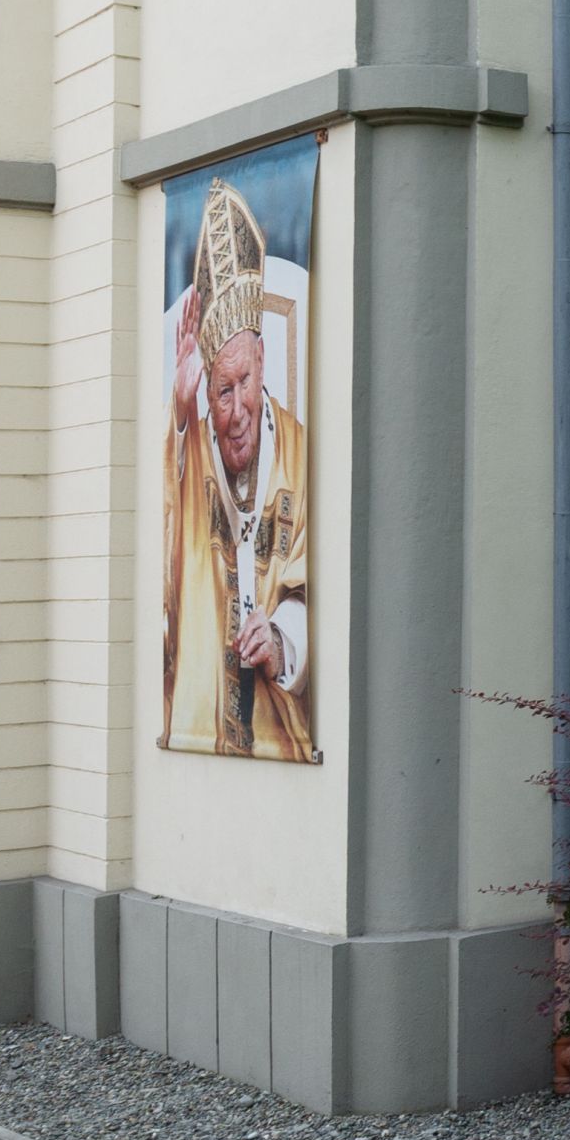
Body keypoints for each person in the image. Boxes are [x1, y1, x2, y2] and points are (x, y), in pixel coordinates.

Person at [162, 182, 312, 757]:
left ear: (263, 361)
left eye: (244, 382)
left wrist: (280, 639)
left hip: (278, 733)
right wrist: (181, 412)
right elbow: (167, 531)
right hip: (202, 723)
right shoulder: (192, 450)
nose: (238, 410)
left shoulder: (300, 453)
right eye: (222, 392)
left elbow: (310, 586)